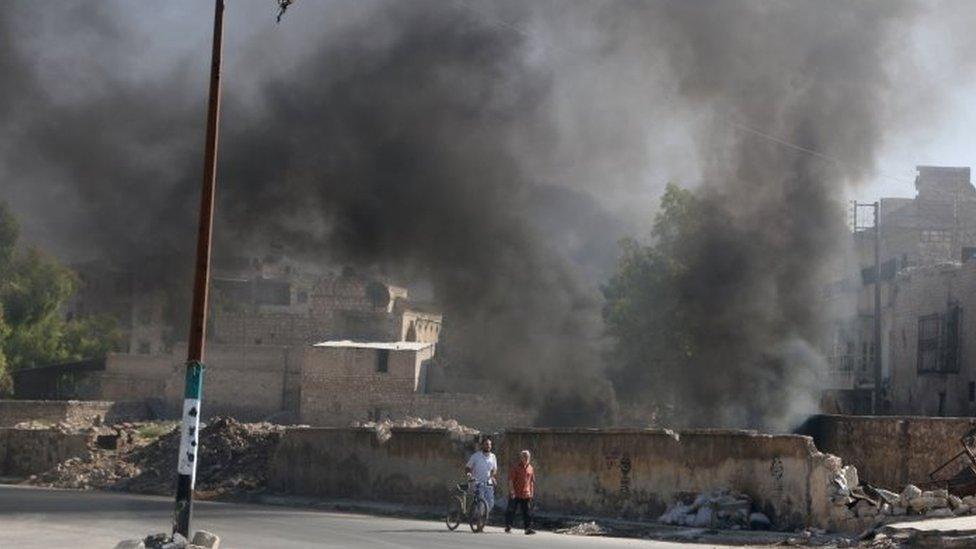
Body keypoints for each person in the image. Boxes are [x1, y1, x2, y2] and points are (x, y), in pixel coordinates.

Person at [465, 438, 498, 522]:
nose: (488, 446)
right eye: (486, 444)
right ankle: (479, 521)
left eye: (489, 444)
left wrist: (492, 476)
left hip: (488, 482)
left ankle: (479, 516)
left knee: (490, 503)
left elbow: (494, 469)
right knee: (481, 502)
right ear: (482, 445)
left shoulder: (493, 456)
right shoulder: (476, 456)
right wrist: (469, 474)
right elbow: (468, 467)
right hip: (477, 482)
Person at [505, 449, 536, 535]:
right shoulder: (516, 467)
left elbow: (531, 481)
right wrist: (512, 491)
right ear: (521, 458)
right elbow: (511, 480)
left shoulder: (531, 468)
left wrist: (532, 493)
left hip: (526, 494)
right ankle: (508, 526)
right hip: (516, 493)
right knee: (511, 510)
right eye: (524, 456)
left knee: (527, 512)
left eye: (527, 457)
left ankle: (528, 528)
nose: (526, 458)